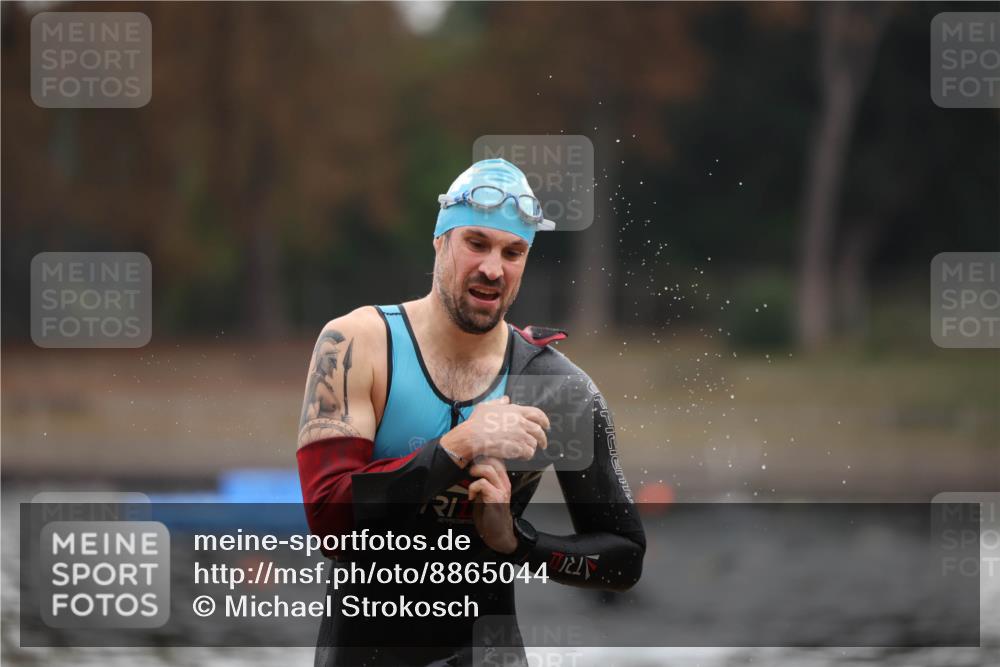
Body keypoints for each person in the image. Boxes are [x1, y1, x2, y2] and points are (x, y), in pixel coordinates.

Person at [297, 158, 645, 666]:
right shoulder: (357, 345)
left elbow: (624, 559)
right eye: (476, 243)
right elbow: (329, 520)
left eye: (512, 251)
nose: (492, 268)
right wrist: (461, 446)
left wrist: (517, 542)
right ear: (440, 241)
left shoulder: (557, 390)